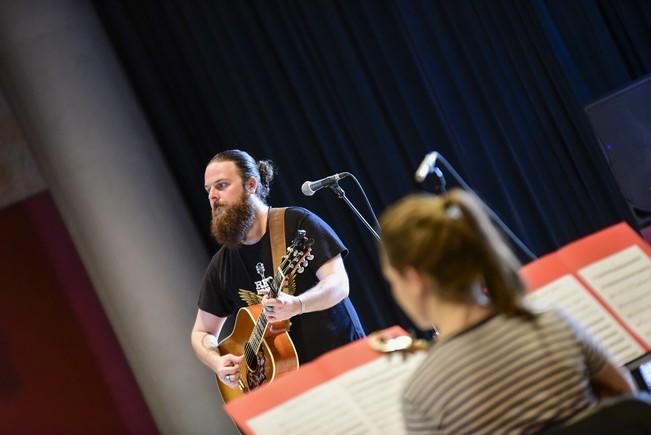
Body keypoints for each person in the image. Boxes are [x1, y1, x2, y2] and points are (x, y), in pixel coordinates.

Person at [378, 188, 636, 434]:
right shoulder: (554, 326)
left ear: (414, 280)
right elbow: (628, 405)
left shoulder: (423, 394)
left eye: (392, 281)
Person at [190, 149, 365, 390]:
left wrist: (298, 304)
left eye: (221, 185)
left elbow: (338, 284)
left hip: (344, 365)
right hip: (290, 389)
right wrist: (217, 362)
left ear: (251, 185)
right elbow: (201, 332)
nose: (213, 196)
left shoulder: (298, 224)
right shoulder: (223, 264)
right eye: (208, 190)